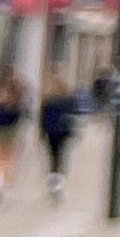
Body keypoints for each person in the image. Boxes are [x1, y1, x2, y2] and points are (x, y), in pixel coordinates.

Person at [0, 69, 29, 208]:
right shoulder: (17, 94)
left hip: (0, 129)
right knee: (7, 158)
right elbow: (22, 113)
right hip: (11, 130)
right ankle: (1, 183)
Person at [36, 73, 79, 205]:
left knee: (53, 157)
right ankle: (58, 183)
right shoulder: (67, 99)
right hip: (62, 133)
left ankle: (53, 181)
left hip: (51, 132)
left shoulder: (47, 100)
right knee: (61, 158)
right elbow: (72, 116)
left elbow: (42, 119)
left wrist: (41, 133)